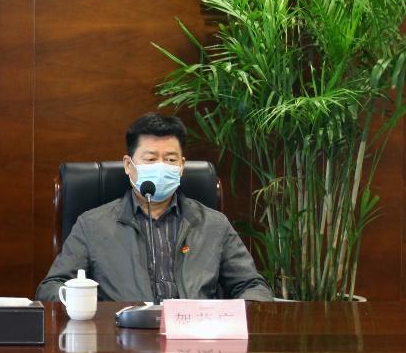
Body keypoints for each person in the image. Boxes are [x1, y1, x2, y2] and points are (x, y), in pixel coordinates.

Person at [36, 112, 272, 302]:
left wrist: (230, 319)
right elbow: (51, 288)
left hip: (193, 337)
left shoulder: (214, 224)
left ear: (181, 166)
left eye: (170, 160)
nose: (161, 167)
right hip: (121, 339)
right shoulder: (92, 225)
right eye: (150, 159)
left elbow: (252, 286)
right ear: (128, 165)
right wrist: (88, 306)